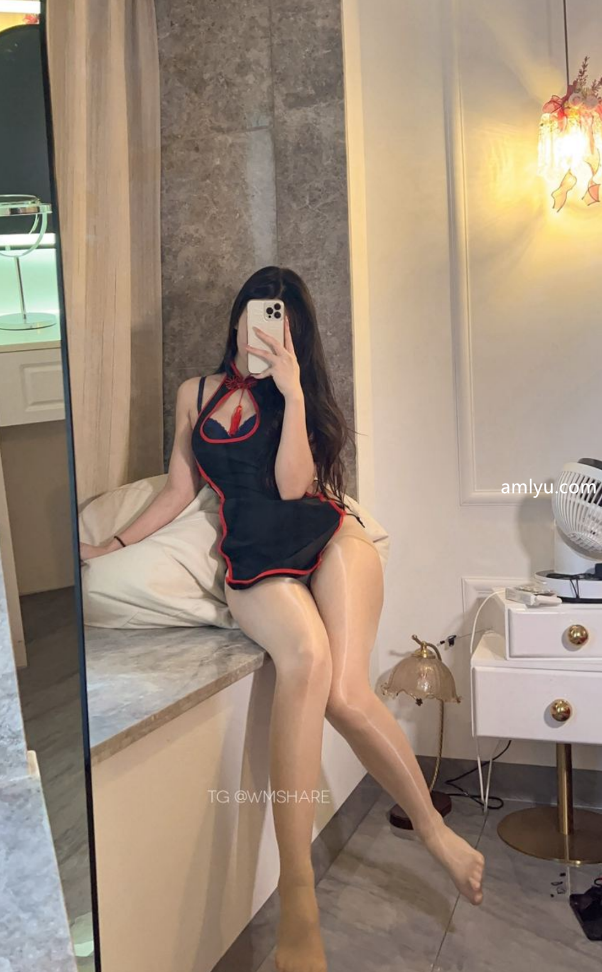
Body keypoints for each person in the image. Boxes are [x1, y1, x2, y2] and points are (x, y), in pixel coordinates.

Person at [81, 266, 484, 972]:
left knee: (345, 694)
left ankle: (432, 829)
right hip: (252, 553)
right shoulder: (194, 393)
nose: (264, 331)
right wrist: (110, 545)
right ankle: (300, 896)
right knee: (304, 656)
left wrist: (293, 392)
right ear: (237, 318)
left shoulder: (301, 395)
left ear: (296, 335)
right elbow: (178, 489)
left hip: (328, 534)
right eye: (257, 315)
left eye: (282, 324)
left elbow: (295, 487)